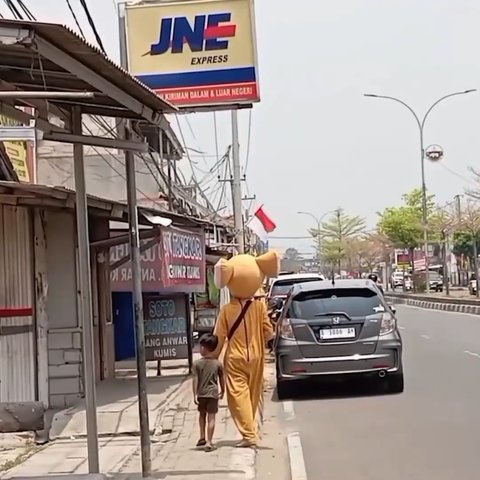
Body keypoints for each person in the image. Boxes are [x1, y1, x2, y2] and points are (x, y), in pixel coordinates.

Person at [213, 251, 279, 448]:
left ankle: (249, 434)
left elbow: (219, 337)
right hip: (257, 356)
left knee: (237, 396)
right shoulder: (259, 307)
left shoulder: (227, 310)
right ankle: (254, 429)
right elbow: (268, 332)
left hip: (235, 358)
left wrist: (212, 358)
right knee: (254, 394)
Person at [192, 334, 225, 452]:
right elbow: (222, 378)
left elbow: (195, 379)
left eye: (201, 346)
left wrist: (195, 394)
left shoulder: (196, 364)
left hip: (201, 394)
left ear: (203, 348)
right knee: (212, 418)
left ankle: (202, 437)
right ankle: (209, 442)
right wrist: (223, 390)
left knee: (202, 416)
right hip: (213, 395)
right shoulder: (217, 364)